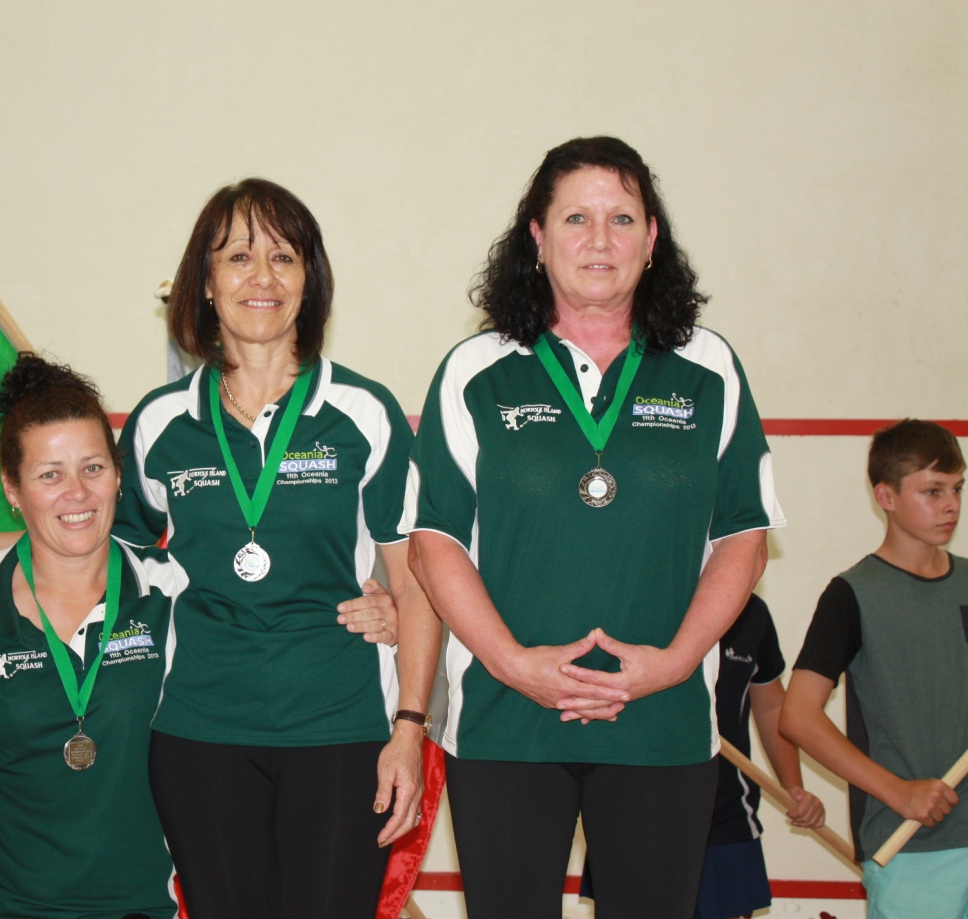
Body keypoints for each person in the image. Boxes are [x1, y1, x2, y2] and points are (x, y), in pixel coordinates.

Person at [0, 179, 438, 918]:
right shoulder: (161, 422)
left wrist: (409, 727)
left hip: (340, 727)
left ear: (309, 279)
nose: (261, 278)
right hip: (200, 736)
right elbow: (99, 542)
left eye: (283, 257)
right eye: (237, 257)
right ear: (204, 283)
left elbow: (415, 582)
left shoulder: (363, 411)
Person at [403, 136, 783, 918]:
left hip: (661, 724)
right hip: (508, 727)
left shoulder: (708, 366)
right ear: (536, 238)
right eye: (575, 217)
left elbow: (742, 536)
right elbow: (433, 541)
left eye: (622, 217)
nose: (600, 239)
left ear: (651, 238)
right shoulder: (475, 370)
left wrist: (675, 663)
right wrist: (512, 663)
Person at [0, 355, 180, 918]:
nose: (77, 493)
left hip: (137, 907)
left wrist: (380, 609)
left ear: (119, 474)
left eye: (93, 468)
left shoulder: (173, 588)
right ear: (12, 489)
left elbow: (283, 618)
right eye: (50, 475)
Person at [780, 419, 968, 919]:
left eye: (957, 489)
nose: (951, 505)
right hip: (912, 848)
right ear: (886, 496)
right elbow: (798, 716)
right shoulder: (852, 595)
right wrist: (898, 792)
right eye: (932, 491)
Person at [578, 595, 826, 919]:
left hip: (726, 817)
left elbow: (771, 705)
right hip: (631, 811)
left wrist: (793, 786)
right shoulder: (635, 599)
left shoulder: (751, 612)